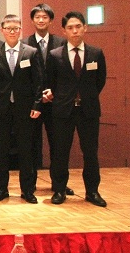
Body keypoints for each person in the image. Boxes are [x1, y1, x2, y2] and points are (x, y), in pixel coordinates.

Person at [45, 11, 107, 207]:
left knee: (90, 152)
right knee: (61, 152)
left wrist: (86, 96)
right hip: (63, 110)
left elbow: (100, 81)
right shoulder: (55, 55)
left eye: (78, 27)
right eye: (70, 28)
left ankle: (92, 191)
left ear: (85, 28)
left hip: (88, 110)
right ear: (64, 31)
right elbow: (51, 81)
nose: (75, 31)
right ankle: (59, 190)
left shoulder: (96, 53)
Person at [0, 14, 43, 204]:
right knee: (0, 149)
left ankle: (27, 190)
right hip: (0, 108)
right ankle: (2, 188)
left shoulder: (31, 52)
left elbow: (38, 82)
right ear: (2, 30)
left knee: (26, 150)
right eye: (8, 28)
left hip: (25, 108)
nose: (12, 32)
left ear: (20, 30)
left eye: (16, 28)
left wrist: (37, 104)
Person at [25, 3, 73, 196]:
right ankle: (30, 184)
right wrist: (38, 96)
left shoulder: (62, 43)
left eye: (45, 17)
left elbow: (67, 73)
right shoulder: (25, 43)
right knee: (32, 144)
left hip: (56, 102)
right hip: (33, 103)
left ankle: (59, 184)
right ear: (32, 20)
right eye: (37, 17)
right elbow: (24, 77)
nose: (41, 20)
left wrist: (53, 92)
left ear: (51, 20)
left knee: (58, 145)